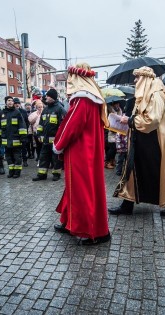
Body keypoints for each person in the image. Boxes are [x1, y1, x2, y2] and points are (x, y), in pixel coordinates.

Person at [110, 66, 165, 217]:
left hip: (153, 141)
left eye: (137, 78)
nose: (135, 81)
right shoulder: (145, 94)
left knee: (157, 171)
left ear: (145, 78)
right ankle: (127, 204)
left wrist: (129, 120)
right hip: (141, 138)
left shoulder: (156, 94)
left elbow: (153, 119)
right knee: (133, 169)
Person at [52, 64, 111, 245]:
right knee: (77, 188)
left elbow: (71, 127)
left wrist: (58, 144)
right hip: (88, 150)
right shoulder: (91, 99)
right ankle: (70, 221)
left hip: (81, 152)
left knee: (83, 190)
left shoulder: (82, 100)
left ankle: (93, 230)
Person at [33, 88, 66, 182]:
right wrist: (39, 134)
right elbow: (41, 124)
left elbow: (63, 126)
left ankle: (56, 174)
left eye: (48, 96)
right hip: (45, 140)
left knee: (56, 158)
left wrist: (60, 139)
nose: (46, 97)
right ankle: (42, 175)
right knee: (43, 157)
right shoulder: (46, 109)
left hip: (55, 141)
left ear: (52, 97)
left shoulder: (60, 109)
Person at [0, 96, 27, 178]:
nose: (10, 102)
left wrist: (22, 137)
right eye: (8, 100)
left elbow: (22, 125)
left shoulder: (17, 112)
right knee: (8, 157)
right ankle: (11, 171)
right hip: (6, 140)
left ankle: (17, 172)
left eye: (12, 101)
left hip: (16, 139)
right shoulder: (2, 113)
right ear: (5, 102)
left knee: (17, 157)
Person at [12, 98, 30, 167]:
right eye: (15, 103)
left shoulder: (23, 111)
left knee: (24, 148)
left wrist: (25, 130)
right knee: (15, 149)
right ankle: (16, 161)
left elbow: (27, 122)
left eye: (18, 103)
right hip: (14, 133)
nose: (17, 104)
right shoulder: (11, 112)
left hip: (23, 133)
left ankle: (25, 160)